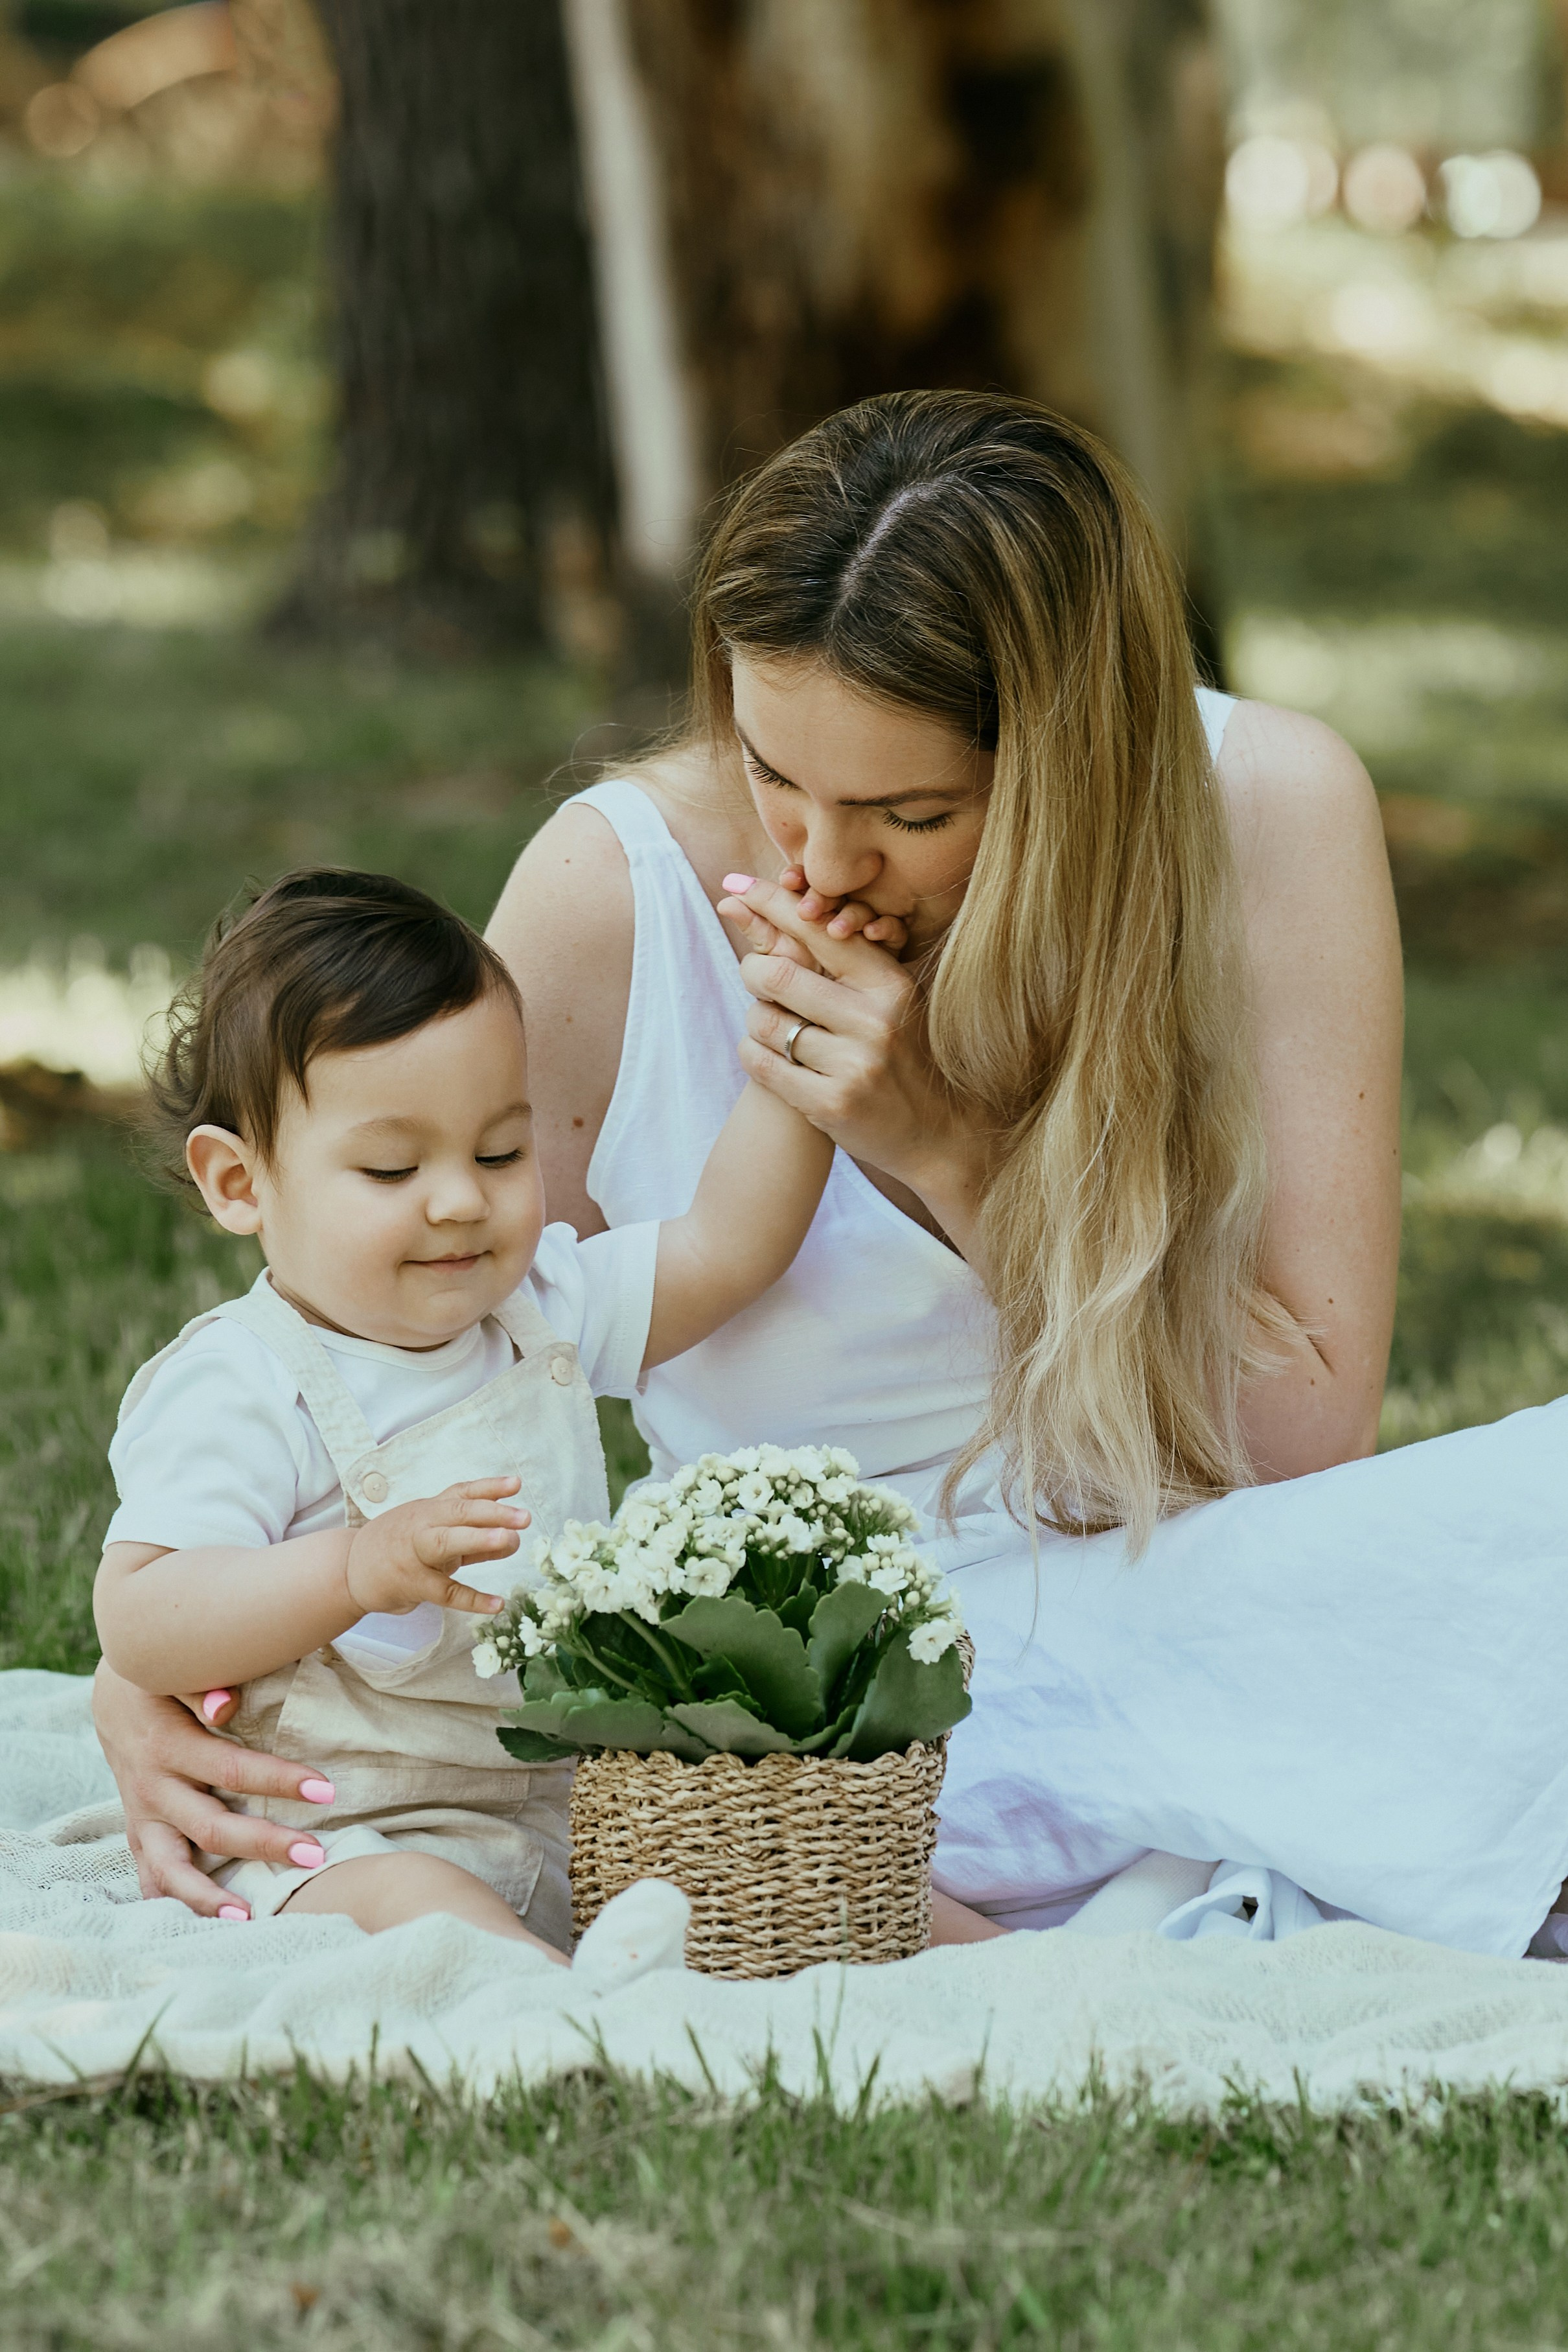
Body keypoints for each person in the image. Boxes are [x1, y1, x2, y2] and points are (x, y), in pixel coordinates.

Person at [100, 391, 1568, 1961]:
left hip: (1209, 1594)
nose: (813, 863)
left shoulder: (1266, 809)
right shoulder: (613, 894)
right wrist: (147, 1672)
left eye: (909, 813)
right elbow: (377, 1342)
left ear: (1074, 766)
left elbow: (1293, 1449)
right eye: (772, 773)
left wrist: (943, 1145)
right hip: (838, 1688)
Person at [93, 867, 832, 1949]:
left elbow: (725, 1247)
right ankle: (570, 2020)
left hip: (557, 1795)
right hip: (338, 1830)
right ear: (240, 1183)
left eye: (500, 1151)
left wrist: (800, 1052)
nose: (460, 1198)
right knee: (428, 1914)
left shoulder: (541, 1309)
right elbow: (142, 1617)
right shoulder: (244, 1382)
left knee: (770, 1853)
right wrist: (352, 1568)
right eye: (393, 1167)